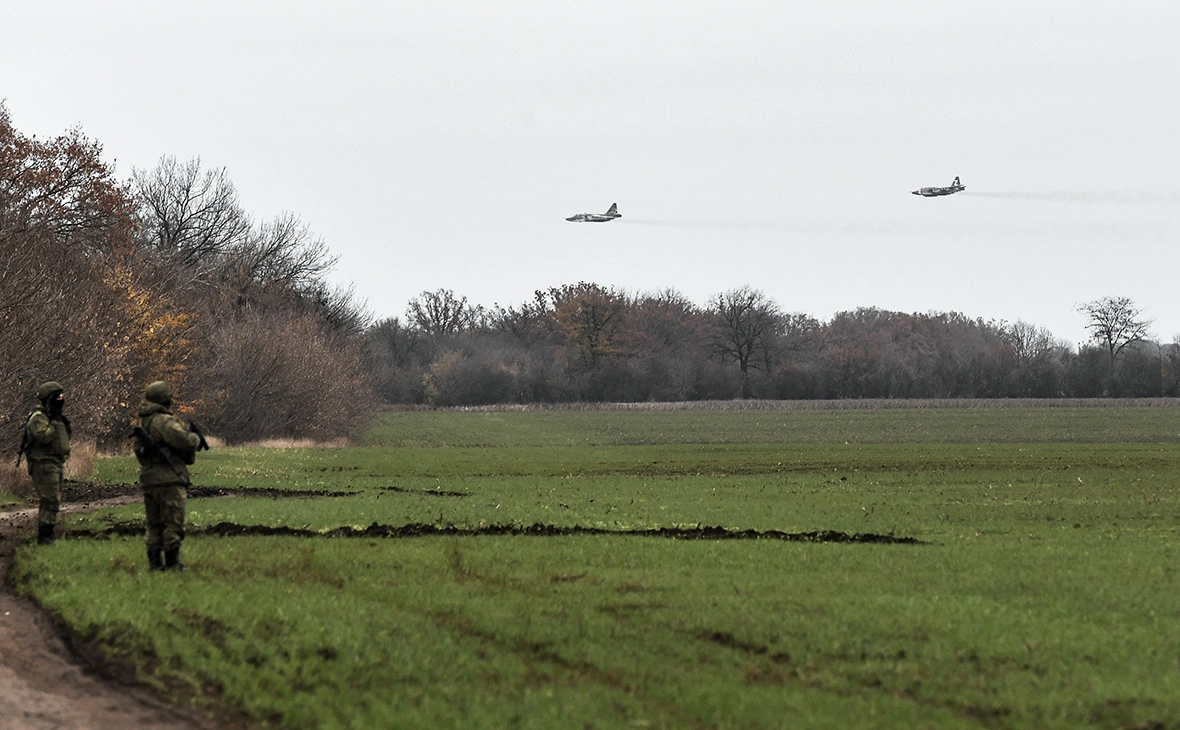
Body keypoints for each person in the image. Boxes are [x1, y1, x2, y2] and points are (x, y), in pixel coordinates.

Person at [134, 381, 202, 571]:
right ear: (165, 399)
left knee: (154, 524)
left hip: (149, 478)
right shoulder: (163, 421)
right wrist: (196, 438)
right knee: (173, 521)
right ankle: (172, 562)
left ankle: (155, 563)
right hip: (168, 479)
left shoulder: (143, 422)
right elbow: (185, 441)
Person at [23, 381, 71, 545]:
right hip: (42, 464)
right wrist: (55, 421)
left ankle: (48, 534)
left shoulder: (53, 417)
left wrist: (58, 419)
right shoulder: (38, 418)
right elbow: (44, 436)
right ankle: (45, 536)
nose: (61, 399)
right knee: (49, 499)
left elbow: (63, 439)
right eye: (57, 396)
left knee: (54, 499)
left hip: (55, 462)